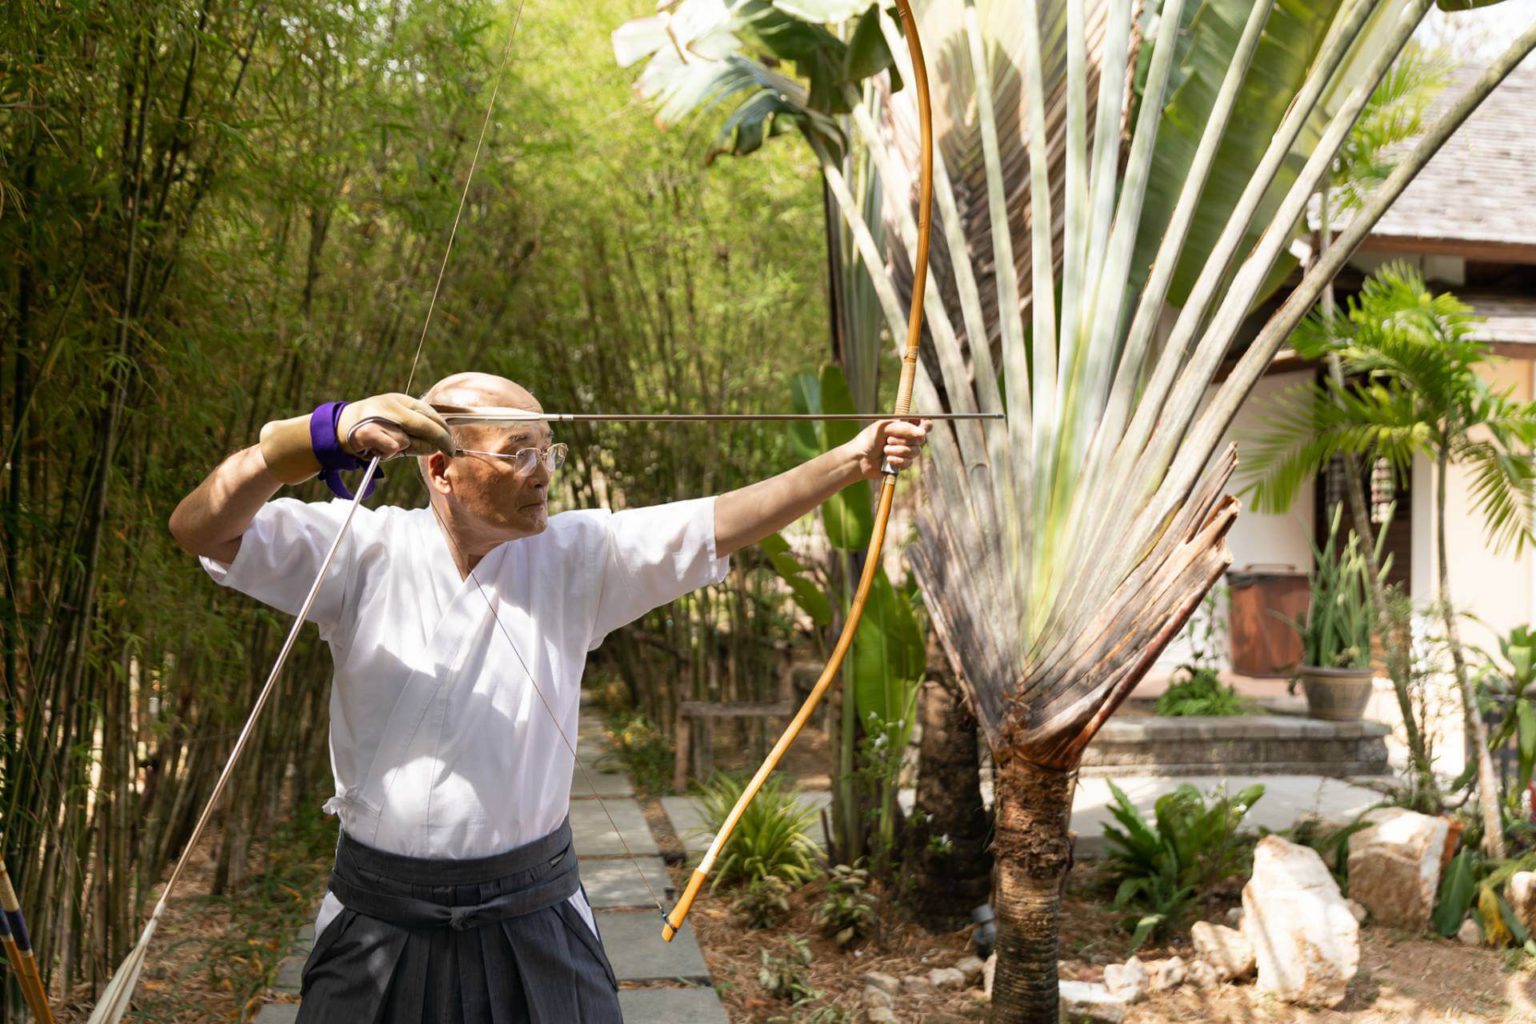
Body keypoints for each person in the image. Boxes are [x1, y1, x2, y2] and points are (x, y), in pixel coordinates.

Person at [168, 371, 928, 1023]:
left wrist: (847, 460)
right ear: (440, 469)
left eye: (547, 452)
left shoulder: (575, 555)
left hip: (532, 913)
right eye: (517, 453)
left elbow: (717, 523)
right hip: (379, 914)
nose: (541, 472)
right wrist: (309, 437)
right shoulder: (362, 551)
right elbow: (201, 528)